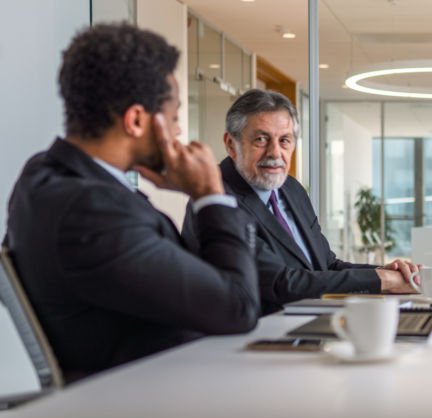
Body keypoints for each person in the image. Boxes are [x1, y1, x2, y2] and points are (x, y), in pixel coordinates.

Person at [4, 23, 260, 379]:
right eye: (173, 118)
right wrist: (210, 195)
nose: (177, 133)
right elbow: (237, 308)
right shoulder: (91, 212)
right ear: (137, 120)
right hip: (148, 405)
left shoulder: (44, 177)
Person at [182, 89, 419, 315]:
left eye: (285, 140)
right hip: (249, 339)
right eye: (261, 139)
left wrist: (385, 272)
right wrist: (383, 281)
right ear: (231, 144)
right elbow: (280, 283)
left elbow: (326, 265)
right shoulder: (214, 197)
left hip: (307, 323)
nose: (275, 153)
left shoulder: (291, 189)